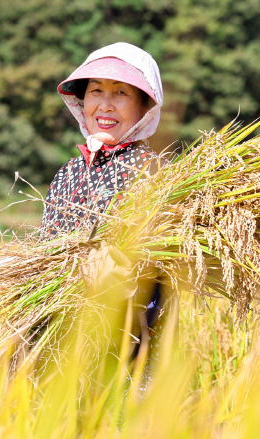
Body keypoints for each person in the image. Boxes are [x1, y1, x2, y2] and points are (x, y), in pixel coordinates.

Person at [40, 42, 174, 370]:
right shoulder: (68, 171)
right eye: (96, 91)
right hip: (55, 336)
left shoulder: (153, 170)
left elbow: (149, 267)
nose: (105, 105)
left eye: (121, 93)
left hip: (125, 341)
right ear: (81, 101)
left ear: (146, 107)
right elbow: (44, 252)